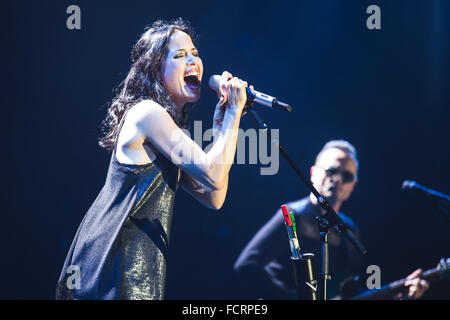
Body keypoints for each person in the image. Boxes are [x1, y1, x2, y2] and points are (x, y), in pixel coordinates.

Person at [56, 18, 250, 300]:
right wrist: (233, 115)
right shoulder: (147, 113)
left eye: (195, 53)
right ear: (156, 69)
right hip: (112, 260)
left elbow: (214, 196)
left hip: (134, 264)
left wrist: (222, 126)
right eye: (180, 55)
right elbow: (213, 174)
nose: (193, 60)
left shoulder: (168, 130)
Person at [233, 140, 429, 299]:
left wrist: (397, 295)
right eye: (331, 171)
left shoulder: (350, 230)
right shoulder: (291, 215)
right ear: (313, 173)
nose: (338, 179)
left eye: (347, 175)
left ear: (354, 185)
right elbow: (247, 264)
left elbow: (351, 290)